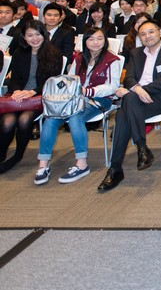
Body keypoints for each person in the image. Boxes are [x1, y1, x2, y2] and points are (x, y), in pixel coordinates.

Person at [97, 19, 161, 192]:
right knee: (123, 113)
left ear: (160, 32)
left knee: (125, 108)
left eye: (151, 32)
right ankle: (135, 153)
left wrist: (139, 90)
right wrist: (136, 89)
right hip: (136, 99)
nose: (147, 36)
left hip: (160, 99)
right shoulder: (136, 53)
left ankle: (117, 168)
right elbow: (128, 78)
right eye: (143, 34)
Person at [35, 27, 121, 185]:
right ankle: (43, 164)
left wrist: (88, 91)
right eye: (91, 39)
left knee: (76, 118)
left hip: (99, 99)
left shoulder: (112, 60)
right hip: (74, 98)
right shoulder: (80, 58)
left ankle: (82, 164)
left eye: (99, 39)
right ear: (85, 41)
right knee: (51, 118)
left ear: (105, 41)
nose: (95, 42)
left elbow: (113, 86)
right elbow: (70, 79)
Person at [0, 21, 63, 173]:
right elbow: (14, 79)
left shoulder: (54, 53)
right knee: (8, 121)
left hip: (40, 95)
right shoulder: (19, 53)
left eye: (37, 34)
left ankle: (18, 155)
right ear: (24, 37)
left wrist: (32, 92)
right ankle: (1, 154)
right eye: (30, 35)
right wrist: (16, 91)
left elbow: (52, 82)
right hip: (19, 95)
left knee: (24, 119)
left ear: (44, 35)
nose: (34, 38)